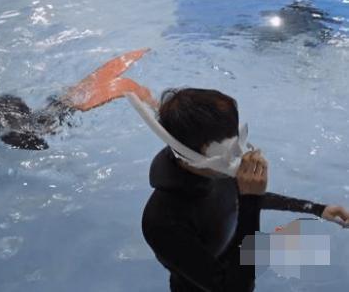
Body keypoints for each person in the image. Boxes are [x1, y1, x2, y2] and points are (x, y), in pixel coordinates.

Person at [139, 88, 349, 291]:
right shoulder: (162, 221)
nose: (239, 155)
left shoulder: (213, 170)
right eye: (227, 150)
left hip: (235, 254)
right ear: (193, 155)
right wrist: (251, 201)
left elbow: (236, 197)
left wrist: (318, 209)